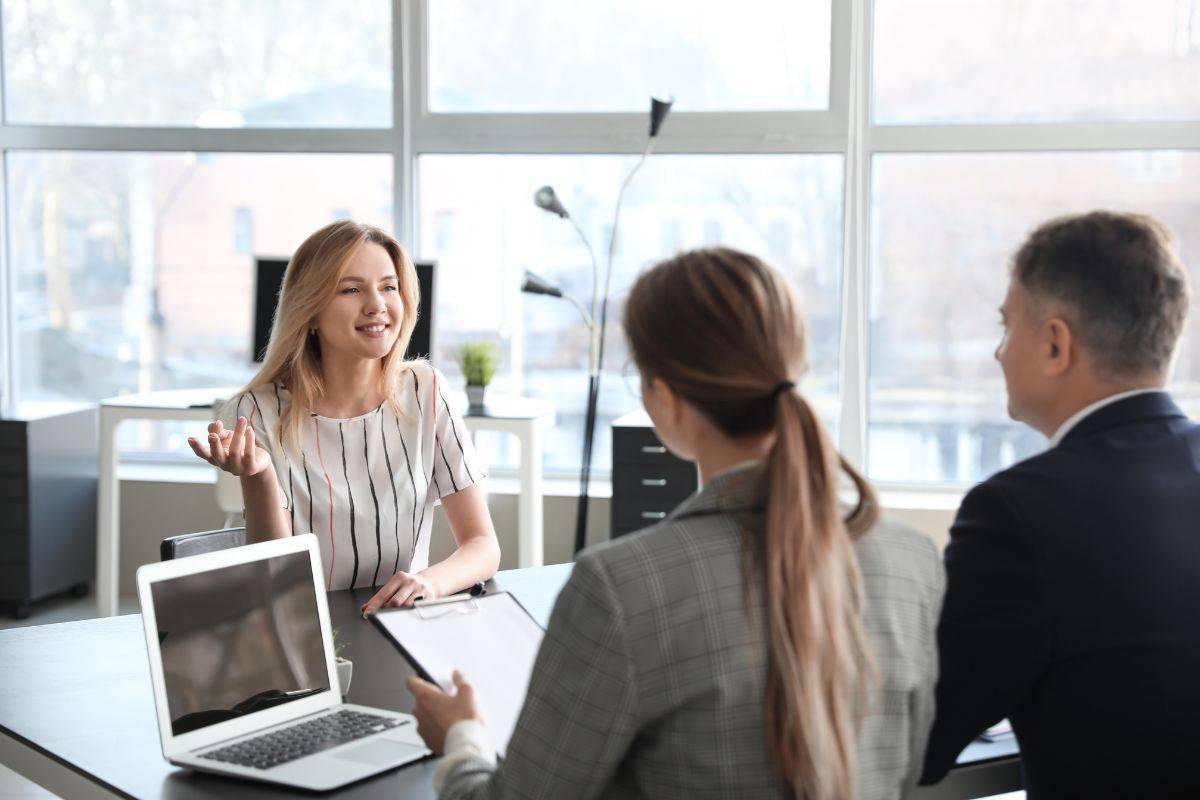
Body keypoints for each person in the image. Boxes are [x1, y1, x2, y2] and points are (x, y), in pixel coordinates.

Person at [407, 247, 944, 800]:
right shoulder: (913, 561)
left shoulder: (622, 585)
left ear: (662, 397)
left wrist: (462, 738)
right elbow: (905, 772)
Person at [921, 211, 1200, 797]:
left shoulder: (1017, 514)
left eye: (1006, 328)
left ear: (1055, 344)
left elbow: (920, 739)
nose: (999, 353)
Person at [187, 220, 500, 611]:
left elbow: (483, 545)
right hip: (305, 628)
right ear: (310, 312)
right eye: (351, 289)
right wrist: (259, 475)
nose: (377, 305)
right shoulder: (257, 412)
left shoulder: (426, 390)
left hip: (399, 622)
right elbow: (276, 581)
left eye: (389, 287)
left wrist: (428, 584)